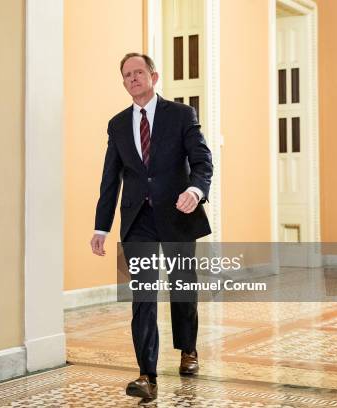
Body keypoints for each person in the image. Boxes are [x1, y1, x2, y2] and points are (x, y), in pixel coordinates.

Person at [90, 53, 213, 404]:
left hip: (177, 212)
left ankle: (188, 349)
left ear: (153, 77)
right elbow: (109, 180)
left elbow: (203, 161)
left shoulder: (181, 115)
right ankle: (147, 375)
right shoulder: (117, 124)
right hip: (137, 220)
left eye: (138, 72)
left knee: (182, 288)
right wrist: (101, 226)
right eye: (126, 75)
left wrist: (196, 189)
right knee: (143, 296)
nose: (133, 79)